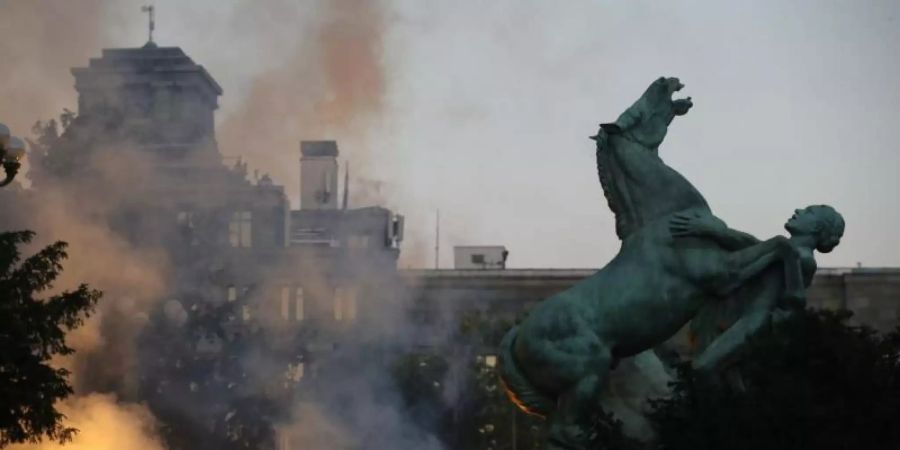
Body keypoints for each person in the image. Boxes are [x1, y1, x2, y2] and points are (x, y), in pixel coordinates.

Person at [669, 205, 845, 372]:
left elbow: (796, 299)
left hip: (754, 323)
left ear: (817, 227)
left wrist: (788, 257)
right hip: (739, 317)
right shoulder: (780, 248)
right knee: (717, 372)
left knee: (704, 367)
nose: (798, 211)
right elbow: (751, 244)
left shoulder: (804, 259)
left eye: (809, 212)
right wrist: (712, 231)